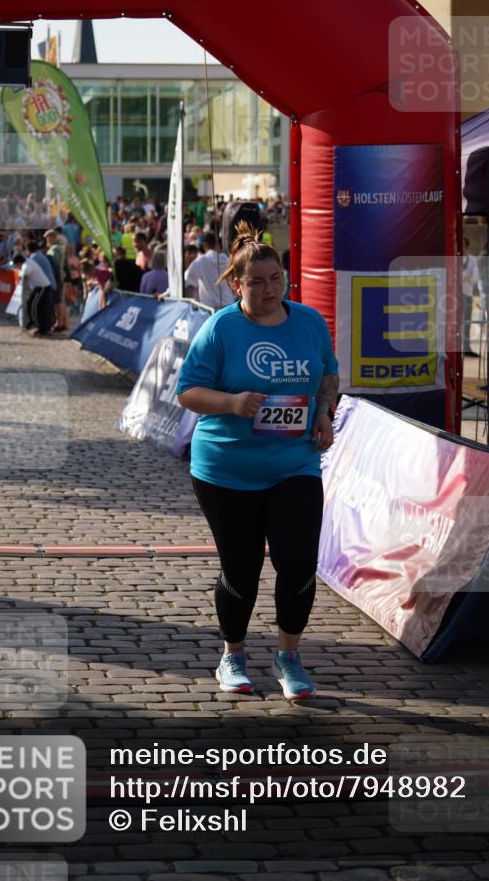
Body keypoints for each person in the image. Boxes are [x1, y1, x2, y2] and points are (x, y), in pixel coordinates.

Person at [176, 223, 339, 700]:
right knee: (241, 570)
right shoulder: (222, 328)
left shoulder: (309, 321)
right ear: (236, 285)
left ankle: (289, 657)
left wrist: (324, 411)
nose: (269, 289)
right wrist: (232, 403)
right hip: (227, 469)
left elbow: (328, 372)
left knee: (298, 564)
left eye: (276, 279)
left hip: (295, 463)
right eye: (257, 282)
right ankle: (233, 655)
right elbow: (187, 391)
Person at [184, 232, 235, 309]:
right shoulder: (227, 259)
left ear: (204, 245)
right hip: (229, 305)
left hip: (209, 310)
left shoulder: (200, 261)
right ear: (216, 243)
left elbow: (188, 283)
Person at [461, 237, 479, 356]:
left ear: (467, 247)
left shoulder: (472, 260)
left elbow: (475, 279)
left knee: (467, 323)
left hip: (466, 294)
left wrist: (467, 278)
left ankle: (466, 348)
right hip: (453, 295)